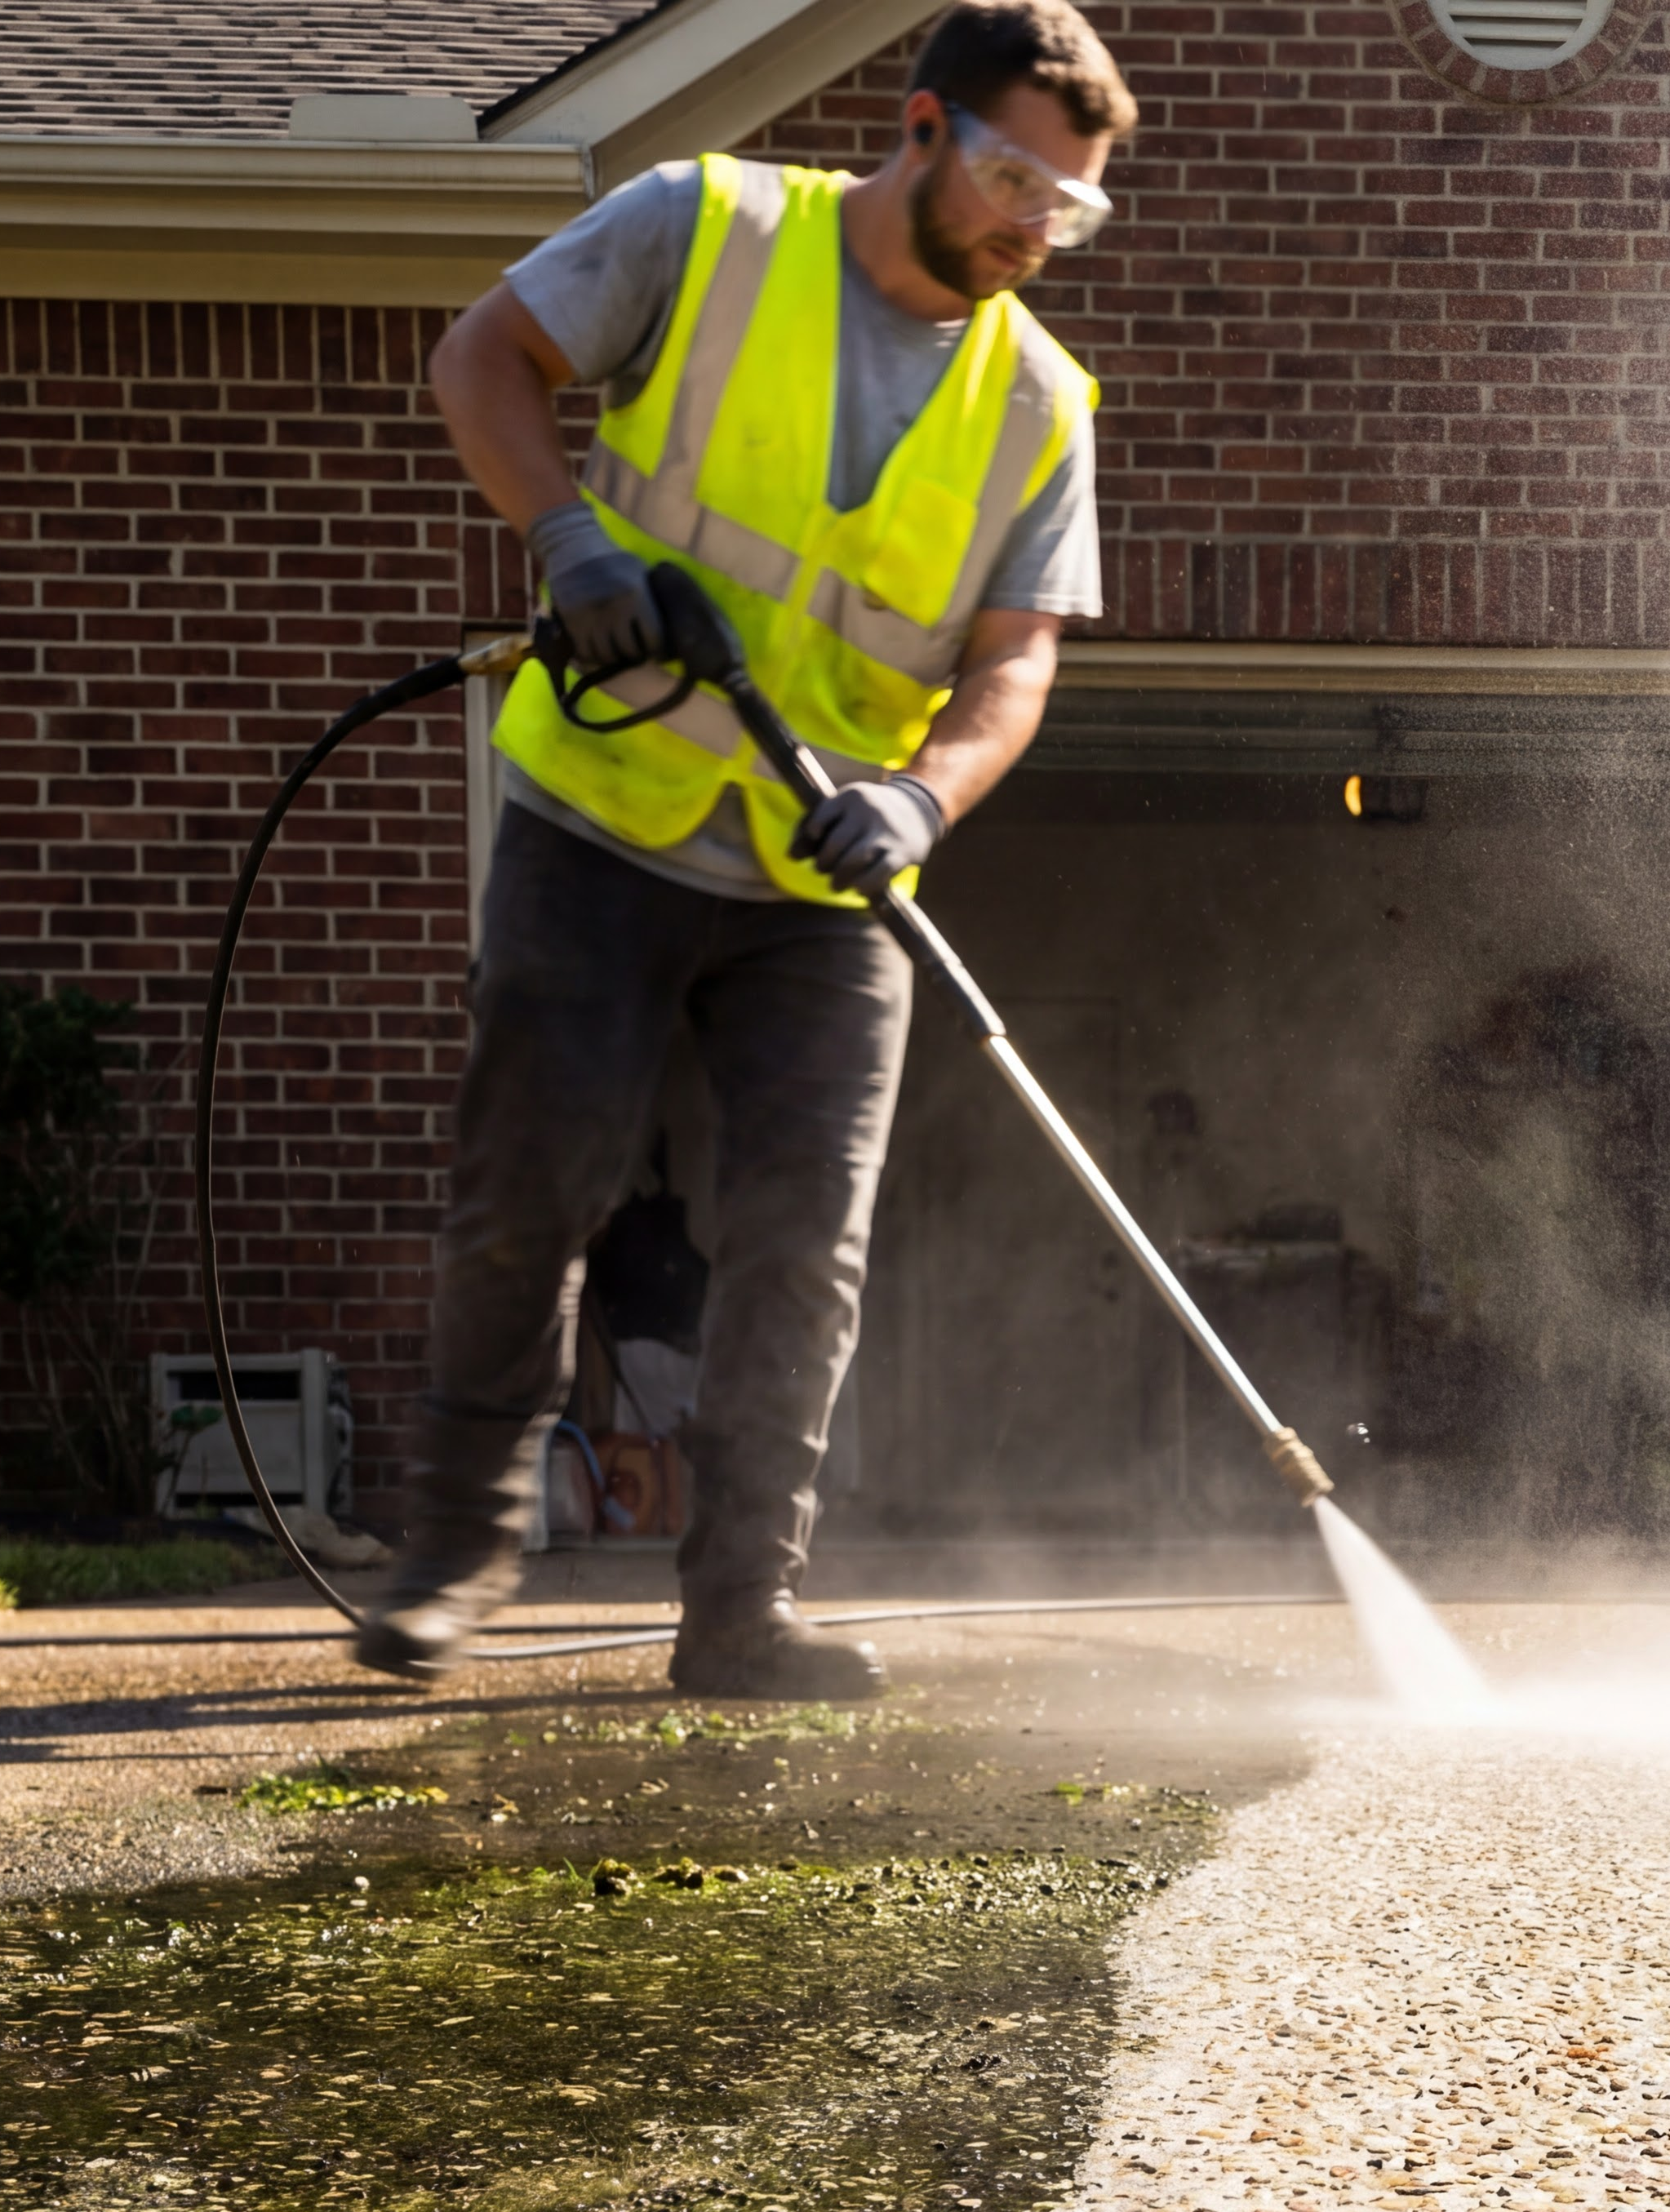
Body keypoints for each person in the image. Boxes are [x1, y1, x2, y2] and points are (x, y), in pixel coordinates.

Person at [356, 0, 1136, 1695]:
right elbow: (480, 360)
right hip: (605, 814)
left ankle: (739, 1613)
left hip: (826, 871)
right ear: (920, 128)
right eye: (1014, 177)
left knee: (805, 1244)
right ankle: (454, 1547)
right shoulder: (705, 226)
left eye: (1067, 208)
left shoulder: (1038, 402)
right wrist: (565, 536)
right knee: (528, 1190)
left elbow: (1014, 661)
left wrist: (920, 799)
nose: (1031, 225)